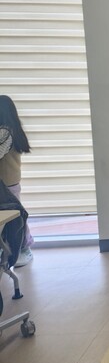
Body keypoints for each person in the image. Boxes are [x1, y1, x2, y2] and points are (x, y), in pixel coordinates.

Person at [0, 95, 35, 267]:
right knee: (14, 216)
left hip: (6, 183)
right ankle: (19, 248)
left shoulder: (5, 132)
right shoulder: (12, 129)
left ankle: (23, 248)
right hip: (10, 181)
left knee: (14, 217)